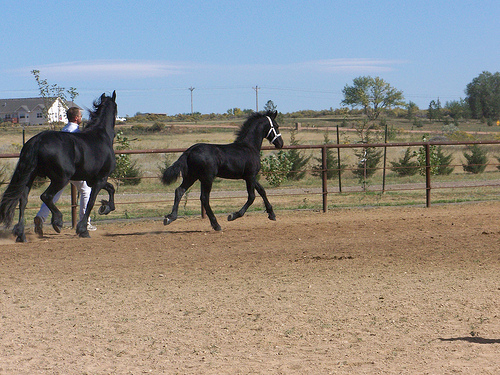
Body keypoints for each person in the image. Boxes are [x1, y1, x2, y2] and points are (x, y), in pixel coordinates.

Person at [33, 107, 96, 237]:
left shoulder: (64, 130)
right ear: (77, 118)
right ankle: (85, 222)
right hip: (75, 170)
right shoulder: (77, 132)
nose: (81, 118)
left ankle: (41, 216)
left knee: (54, 194)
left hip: (61, 169)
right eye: (80, 116)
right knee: (86, 191)